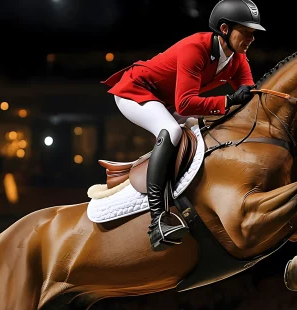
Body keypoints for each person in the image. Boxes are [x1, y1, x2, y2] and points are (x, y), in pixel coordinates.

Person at [102, 0, 265, 251]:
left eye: (253, 33)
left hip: (166, 100)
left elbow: (248, 94)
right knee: (173, 131)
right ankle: (158, 219)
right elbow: (186, 103)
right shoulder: (195, 48)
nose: (252, 38)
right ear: (224, 29)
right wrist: (228, 100)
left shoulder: (237, 58)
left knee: (204, 131)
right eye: (247, 31)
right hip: (136, 91)